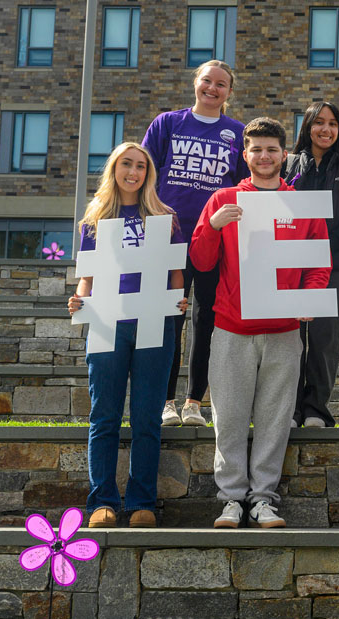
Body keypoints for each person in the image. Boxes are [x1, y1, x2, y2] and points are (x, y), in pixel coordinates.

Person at [189, 117, 330, 529]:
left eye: (272, 149)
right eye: (256, 149)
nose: (264, 156)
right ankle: (231, 499)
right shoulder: (223, 199)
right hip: (232, 328)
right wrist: (213, 228)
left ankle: (264, 499)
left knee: (273, 420)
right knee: (229, 419)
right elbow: (200, 261)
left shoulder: (300, 203)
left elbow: (319, 262)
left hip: (285, 331)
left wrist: (307, 300)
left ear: (283, 155)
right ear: (245, 154)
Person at [69, 142, 188, 528]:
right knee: (104, 416)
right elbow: (87, 277)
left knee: (146, 419)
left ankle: (142, 503)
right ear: (114, 169)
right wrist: (79, 300)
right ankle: (102, 501)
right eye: (126, 164)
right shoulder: (96, 218)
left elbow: (175, 274)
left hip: (155, 320)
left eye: (140, 166)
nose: (133, 172)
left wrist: (179, 300)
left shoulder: (164, 216)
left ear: (148, 173)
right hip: (107, 320)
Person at [143, 60, 248, 429]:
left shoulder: (237, 133)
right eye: (207, 81)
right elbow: (145, 174)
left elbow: (244, 192)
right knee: (168, 320)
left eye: (221, 84)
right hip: (168, 240)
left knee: (206, 322)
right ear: (196, 84)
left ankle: (193, 402)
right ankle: (165, 401)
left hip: (214, 243)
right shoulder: (167, 123)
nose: (213, 88)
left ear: (229, 93)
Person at [283, 101, 339, 428]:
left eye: (333, 124)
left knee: (324, 339)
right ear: (307, 126)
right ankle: (288, 409)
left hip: (335, 266)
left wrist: (318, 248)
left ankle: (316, 408)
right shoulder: (288, 166)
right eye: (319, 123)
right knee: (289, 340)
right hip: (290, 265)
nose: (326, 129)